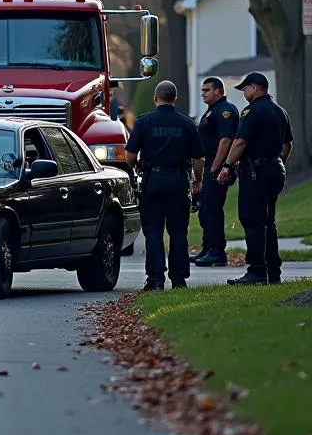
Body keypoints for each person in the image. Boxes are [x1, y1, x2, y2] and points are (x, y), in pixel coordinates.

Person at [125, 80, 204, 291]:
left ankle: (156, 279)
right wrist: (198, 181)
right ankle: (179, 280)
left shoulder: (143, 122)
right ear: (175, 99)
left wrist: (134, 172)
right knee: (178, 232)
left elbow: (130, 155)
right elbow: (199, 158)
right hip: (178, 182)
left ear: (155, 98)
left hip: (153, 182)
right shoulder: (187, 124)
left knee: (153, 232)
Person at [217, 72, 293, 286]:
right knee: (269, 221)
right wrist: (278, 163)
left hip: (255, 172)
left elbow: (240, 142)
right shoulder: (280, 112)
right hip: (274, 170)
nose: (244, 94)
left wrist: (227, 165)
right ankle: (273, 271)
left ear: (256, 88)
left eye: (246, 89)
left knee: (252, 220)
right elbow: (288, 145)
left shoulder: (252, 111)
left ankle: (257, 271)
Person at [192, 76, 239, 267]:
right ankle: (208, 247)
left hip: (218, 165)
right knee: (205, 208)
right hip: (211, 163)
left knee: (212, 208)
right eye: (202, 90)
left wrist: (214, 167)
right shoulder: (212, 111)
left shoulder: (225, 111)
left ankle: (217, 251)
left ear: (219, 91)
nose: (203, 93)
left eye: (207, 90)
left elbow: (226, 140)